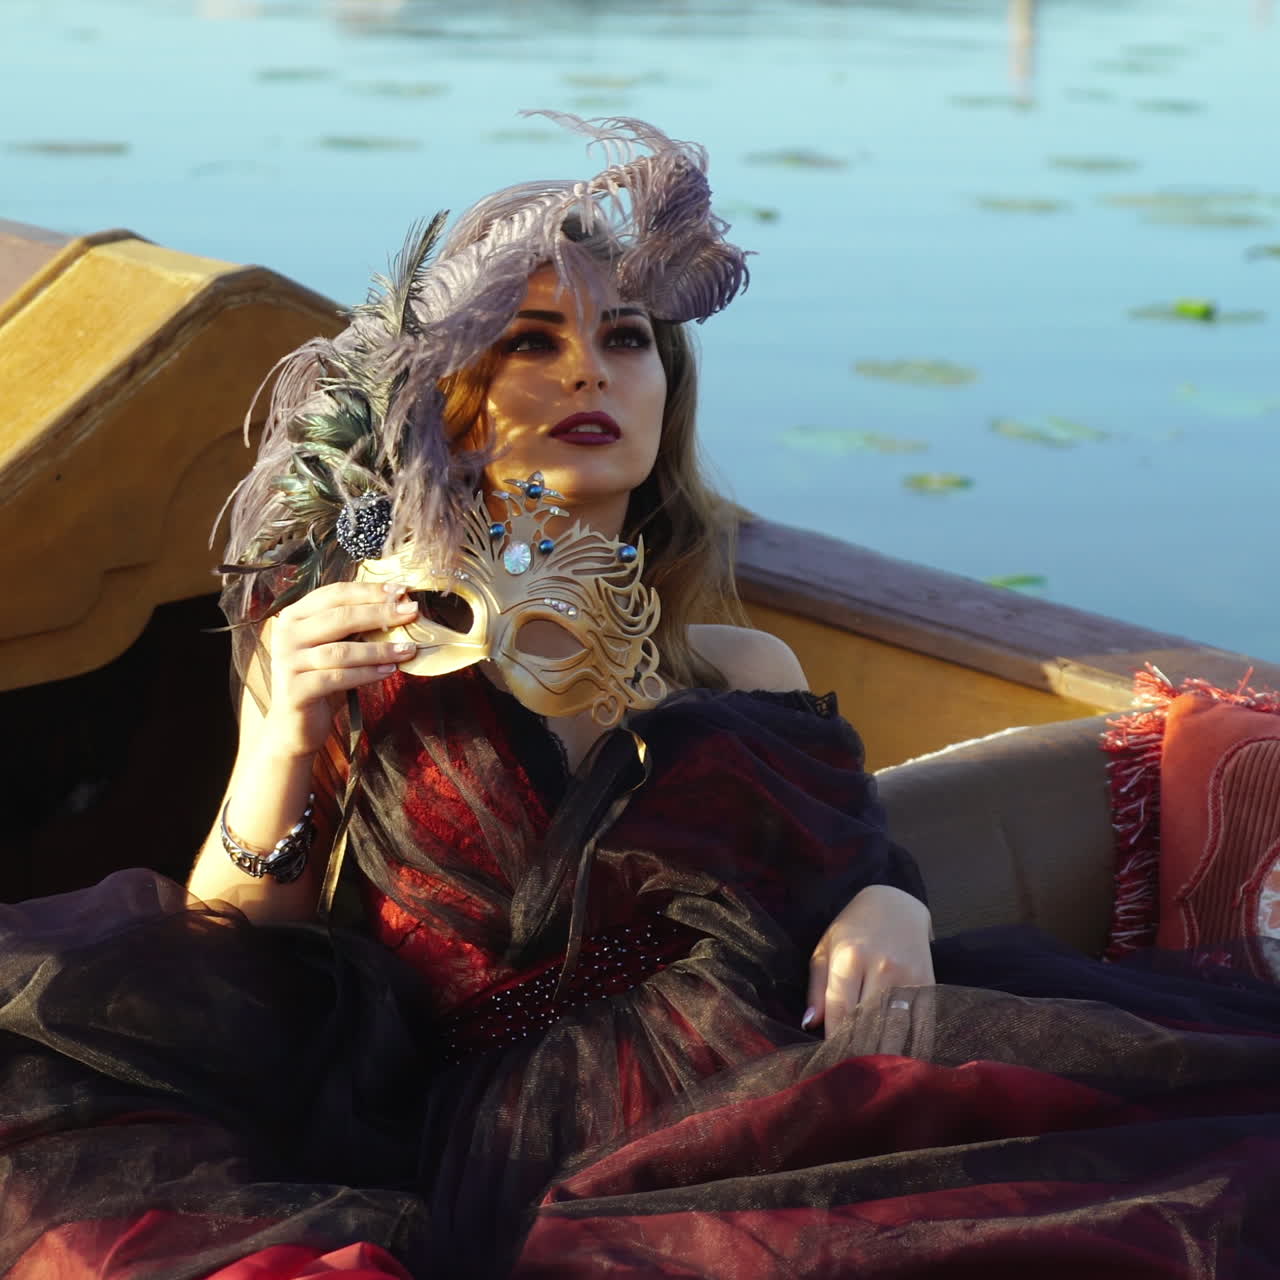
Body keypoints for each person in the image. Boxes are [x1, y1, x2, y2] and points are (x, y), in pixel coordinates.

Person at [3, 114, 1280, 1280]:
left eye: (623, 340)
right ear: (448, 402)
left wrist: (889, 904)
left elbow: (853, 863)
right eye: (531, 342)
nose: (588, 374)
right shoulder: (368, 649)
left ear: (669, 392)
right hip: (496, 1145)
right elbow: (232, 956)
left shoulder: (743, 668)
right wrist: (282, 733)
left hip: (769, 1086)